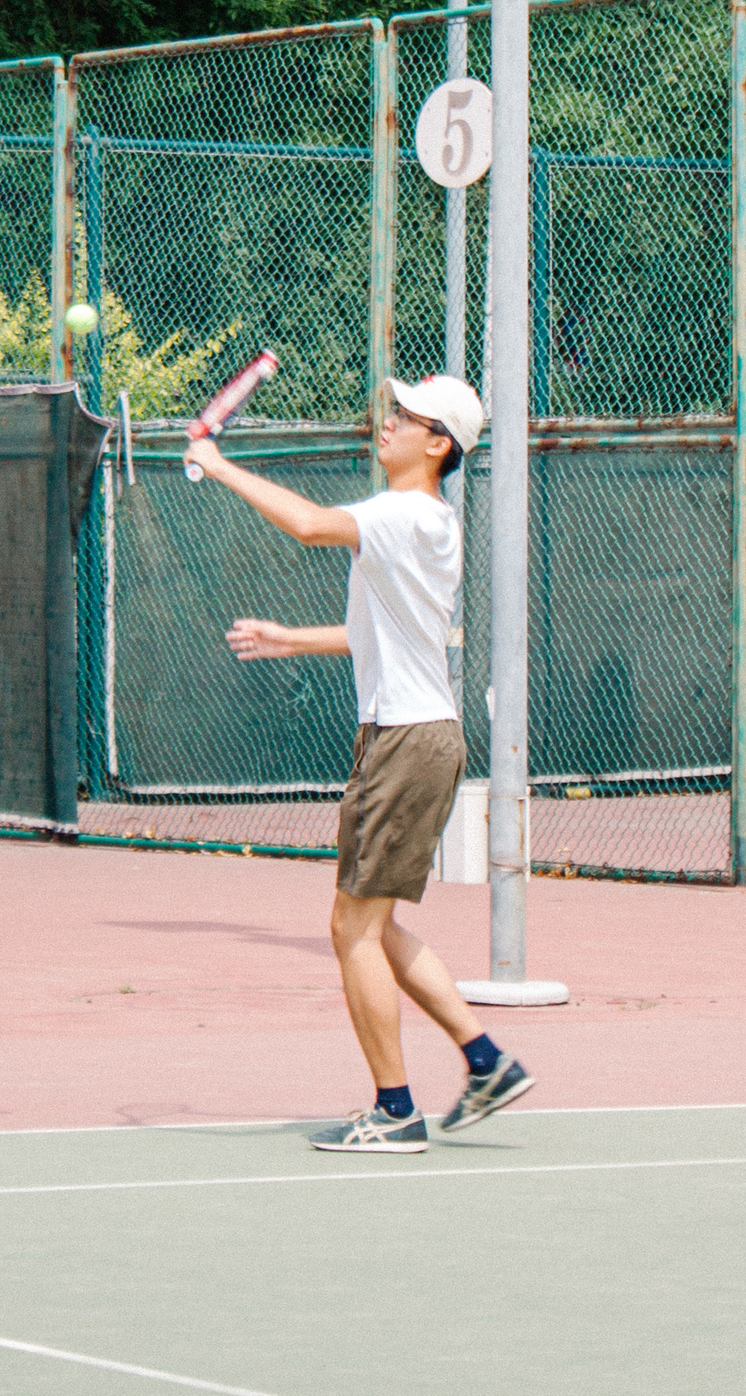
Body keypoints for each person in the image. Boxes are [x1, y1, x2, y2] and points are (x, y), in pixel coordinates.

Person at [182, 373, 533, 1153]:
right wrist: (288, 637)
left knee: (352, 929)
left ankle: (396, 1109)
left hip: (408, 741)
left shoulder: (404, 513)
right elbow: (373, 635)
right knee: (370, 924)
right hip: (404, 737)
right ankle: (486, 1062)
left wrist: (222, 463)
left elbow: (308, 524)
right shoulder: (419, 522)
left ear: (437, 442)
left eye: (404, 416)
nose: (388, 423)